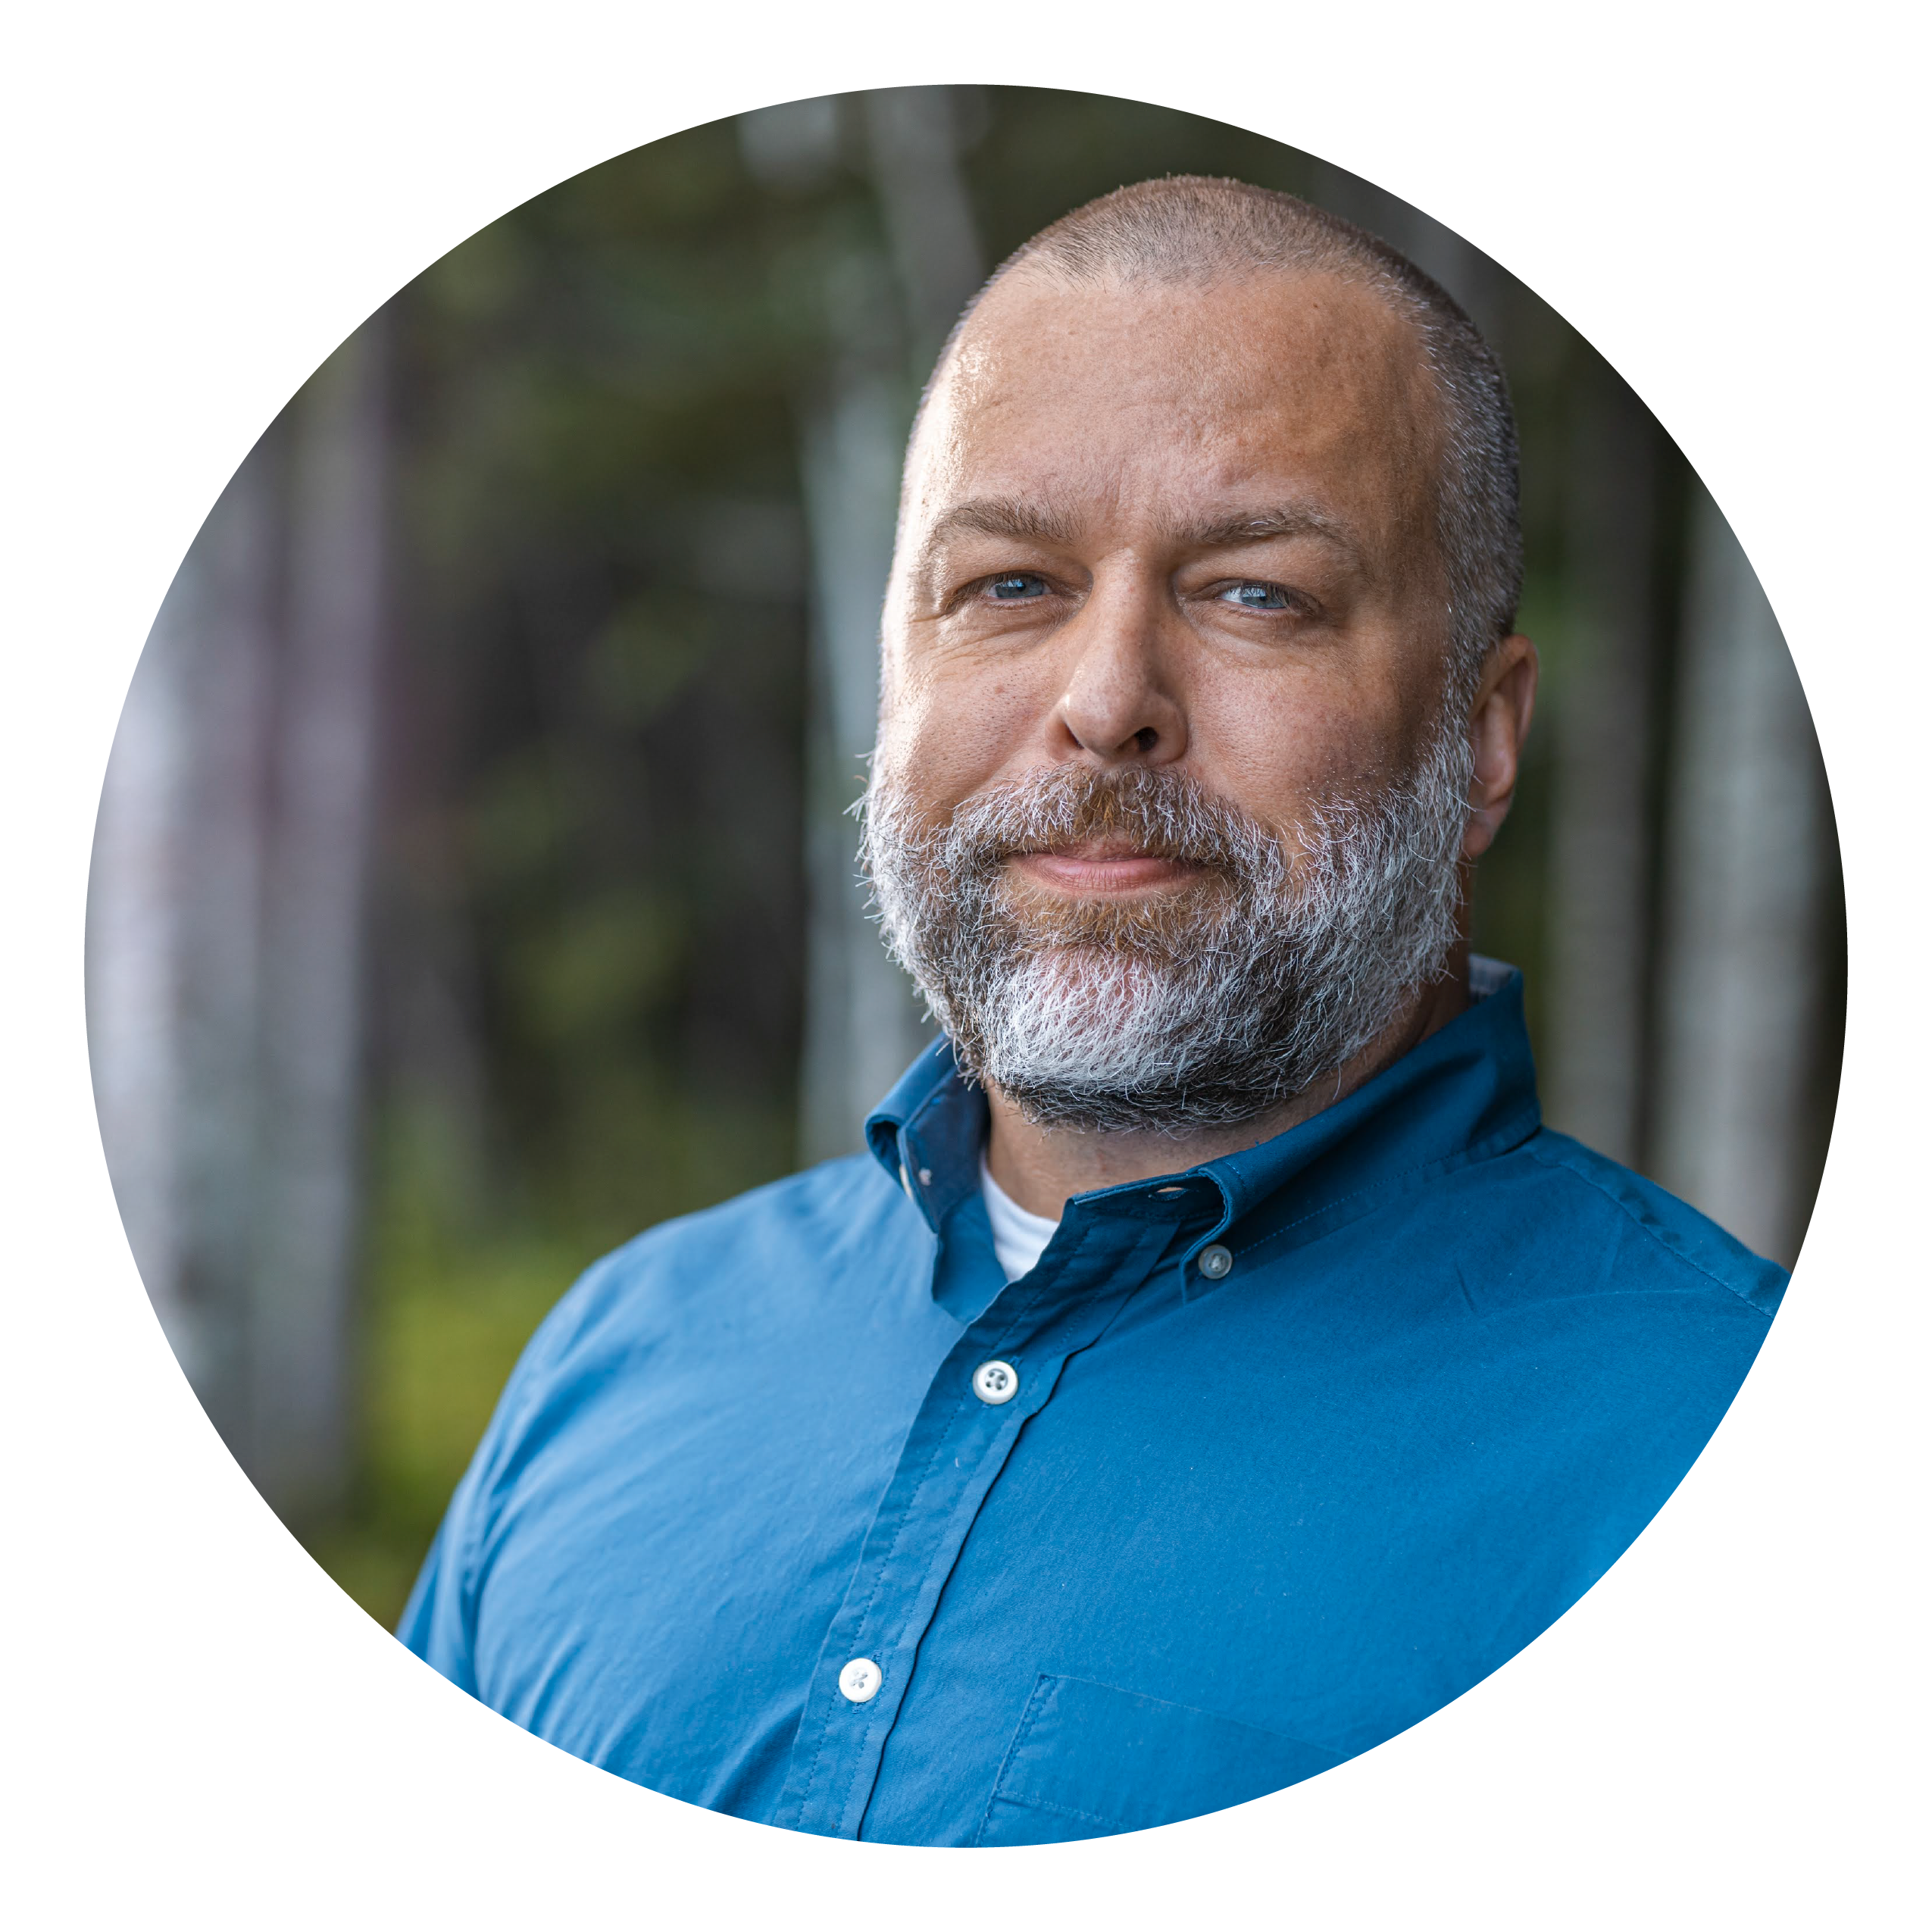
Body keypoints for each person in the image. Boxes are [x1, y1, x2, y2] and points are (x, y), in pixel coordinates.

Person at [402, 177, 1782, 1845]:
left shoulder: (1755, 1479)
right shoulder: (624, 1350)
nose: (1107, 701)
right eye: (1010, 586)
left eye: (1255, 592)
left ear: (1479, 744)